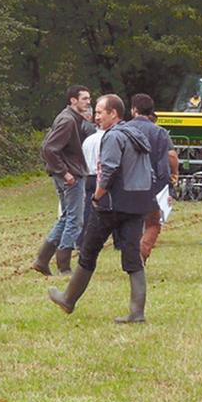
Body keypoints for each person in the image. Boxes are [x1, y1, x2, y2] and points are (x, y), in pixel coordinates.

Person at [48, 94, 154, 323]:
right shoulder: (137, 135)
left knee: (88, 252)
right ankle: (137, 313)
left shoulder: (114, 136)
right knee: (132, 258)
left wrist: (96, 197)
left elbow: (108, 170)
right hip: (135, 204)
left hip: (111, 205)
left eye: (100, 112)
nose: (96, 117)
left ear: (113, 114)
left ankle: (68, 299)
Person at [32, 85, 91, 276]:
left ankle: (42, 260)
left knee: (66, 217)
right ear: (73, 100)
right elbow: (49, 148)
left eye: (89, 98)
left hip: (69, 174)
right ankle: (64, 267)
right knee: (75, 220)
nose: (88, 102)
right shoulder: (67, 120)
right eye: (84, 99)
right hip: (71, 176)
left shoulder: (72, 118)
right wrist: (64, 172)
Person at [127, 94, 179, 261]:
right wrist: (169, 180)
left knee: (131, 222)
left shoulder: (122, 130)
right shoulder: (160, 132)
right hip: (151, 184)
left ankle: (131, 253)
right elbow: (168, 158)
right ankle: (141, 253)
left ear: (134, 109)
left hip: (126, 184)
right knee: (153, 223)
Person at [76, 123, 104, 250]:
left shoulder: (87, 140)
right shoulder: (107, 138)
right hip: (100, 176)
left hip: (88, 176)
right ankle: (118, 241)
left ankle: (81, 239)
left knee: (87, 208)